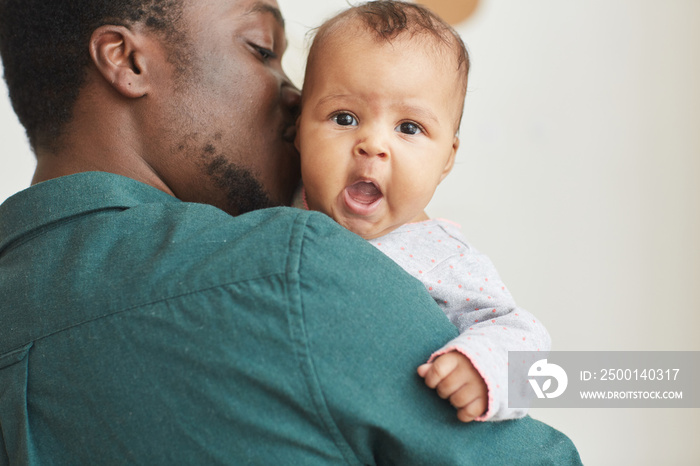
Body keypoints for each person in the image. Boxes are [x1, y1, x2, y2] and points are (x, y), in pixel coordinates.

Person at [0, 0, 581, 463]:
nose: (297, 98)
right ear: (127, 61)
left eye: (409, 127)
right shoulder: (293, 266)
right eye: (261, 48)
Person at [295, 1, 549, 422]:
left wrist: (480, 368)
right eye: (344, 118)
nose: (373, 144)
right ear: (299, 127)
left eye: (408, 128)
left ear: (447, 159)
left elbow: (526, 338)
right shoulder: (283, 199)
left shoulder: (443, 258)